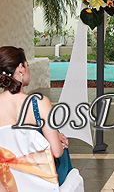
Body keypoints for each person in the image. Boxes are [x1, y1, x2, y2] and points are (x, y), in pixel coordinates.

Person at [0, 46, 71, 185]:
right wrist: (55, 136)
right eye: (27, 66)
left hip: (6, 179)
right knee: (62, 149)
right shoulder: (38, 103)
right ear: (20, 68)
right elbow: (57, 152)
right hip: (39, 179)